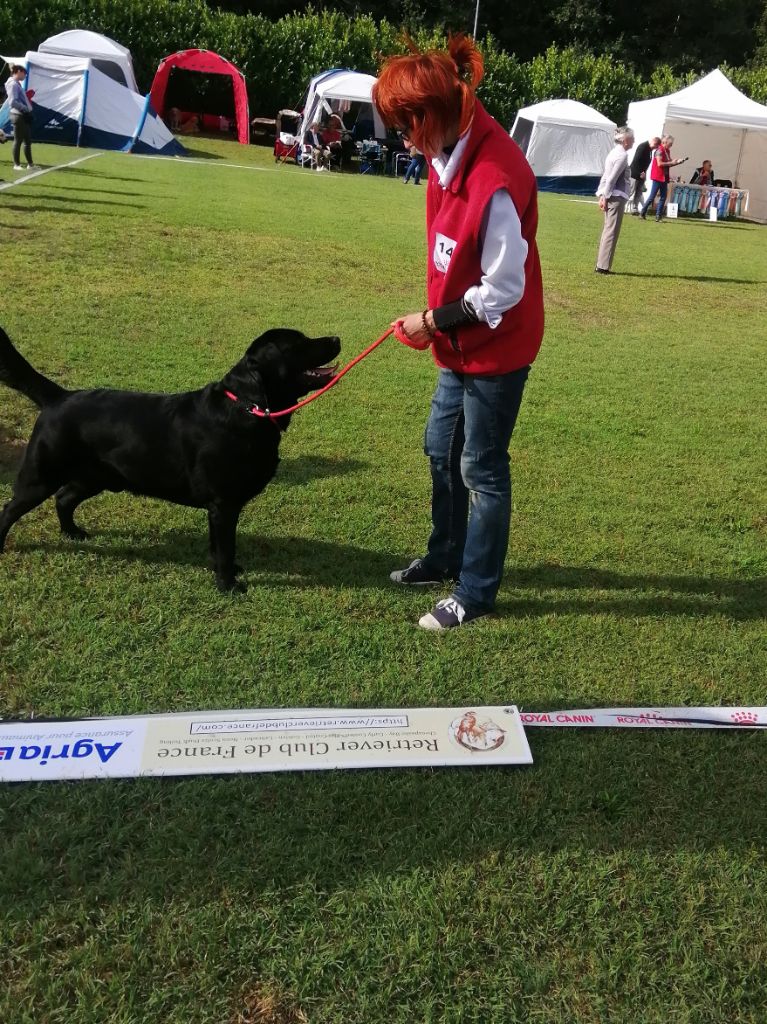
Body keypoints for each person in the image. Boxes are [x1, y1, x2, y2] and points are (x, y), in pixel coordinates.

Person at [372, 35, 544, 631]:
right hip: (457, 343)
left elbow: (504, 289)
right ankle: (445, 556)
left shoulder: (497, 175)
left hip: (496, 348)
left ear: (432, 117)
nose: (402, 138)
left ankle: (474, 591)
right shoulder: (444, 153)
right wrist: (438, 325)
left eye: (404, 125)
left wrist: (431, 321)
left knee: (483, 468)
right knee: (439, 447)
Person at [594, 127, 634, 275]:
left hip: (610, 194)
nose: (633, 141)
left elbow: (606, 176)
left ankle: (601, 264)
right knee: (611, 232)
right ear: (625, 140)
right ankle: (603, 266)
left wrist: (601, 194)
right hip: (616, 196)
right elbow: (612, 178)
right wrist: (604, 196)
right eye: (632, 139)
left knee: (607, 231)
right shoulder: (622, 155)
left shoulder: (613, 152)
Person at [640, 134, 686, 221]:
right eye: (670, 143)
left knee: (663, 197)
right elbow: (660, 164)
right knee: (652, 196)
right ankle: (643, 212)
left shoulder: (666, 150)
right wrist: (672, 163)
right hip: (658, 176)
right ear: (664, 142)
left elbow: (669, 163)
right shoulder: (659, 150)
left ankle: (658, 216)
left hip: (664, 176)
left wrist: (677, 162)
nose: (671, 145)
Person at [4, 65, 38, 172]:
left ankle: (30, 164)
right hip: (18, 115)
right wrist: (25, 108)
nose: (25, 75)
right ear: (18, 71)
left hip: (22, 115)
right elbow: (12, 102)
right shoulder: (13, 84)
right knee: (18, 140)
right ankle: (16, 164)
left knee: (27, 141)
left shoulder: (16, 84)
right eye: (24, 73)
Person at [628, 135, 660, 214]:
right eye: (655, 146)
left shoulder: (649, 150)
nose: (654, 149)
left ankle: (634, 209)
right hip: (634, 173)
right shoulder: (643, 146)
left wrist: (644, 174)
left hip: (642, 174)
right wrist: (640, 173)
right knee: (630, 192)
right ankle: (620, 206)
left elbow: (646, 163)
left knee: (638, 193)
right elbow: (636, 160)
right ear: (654, 142)